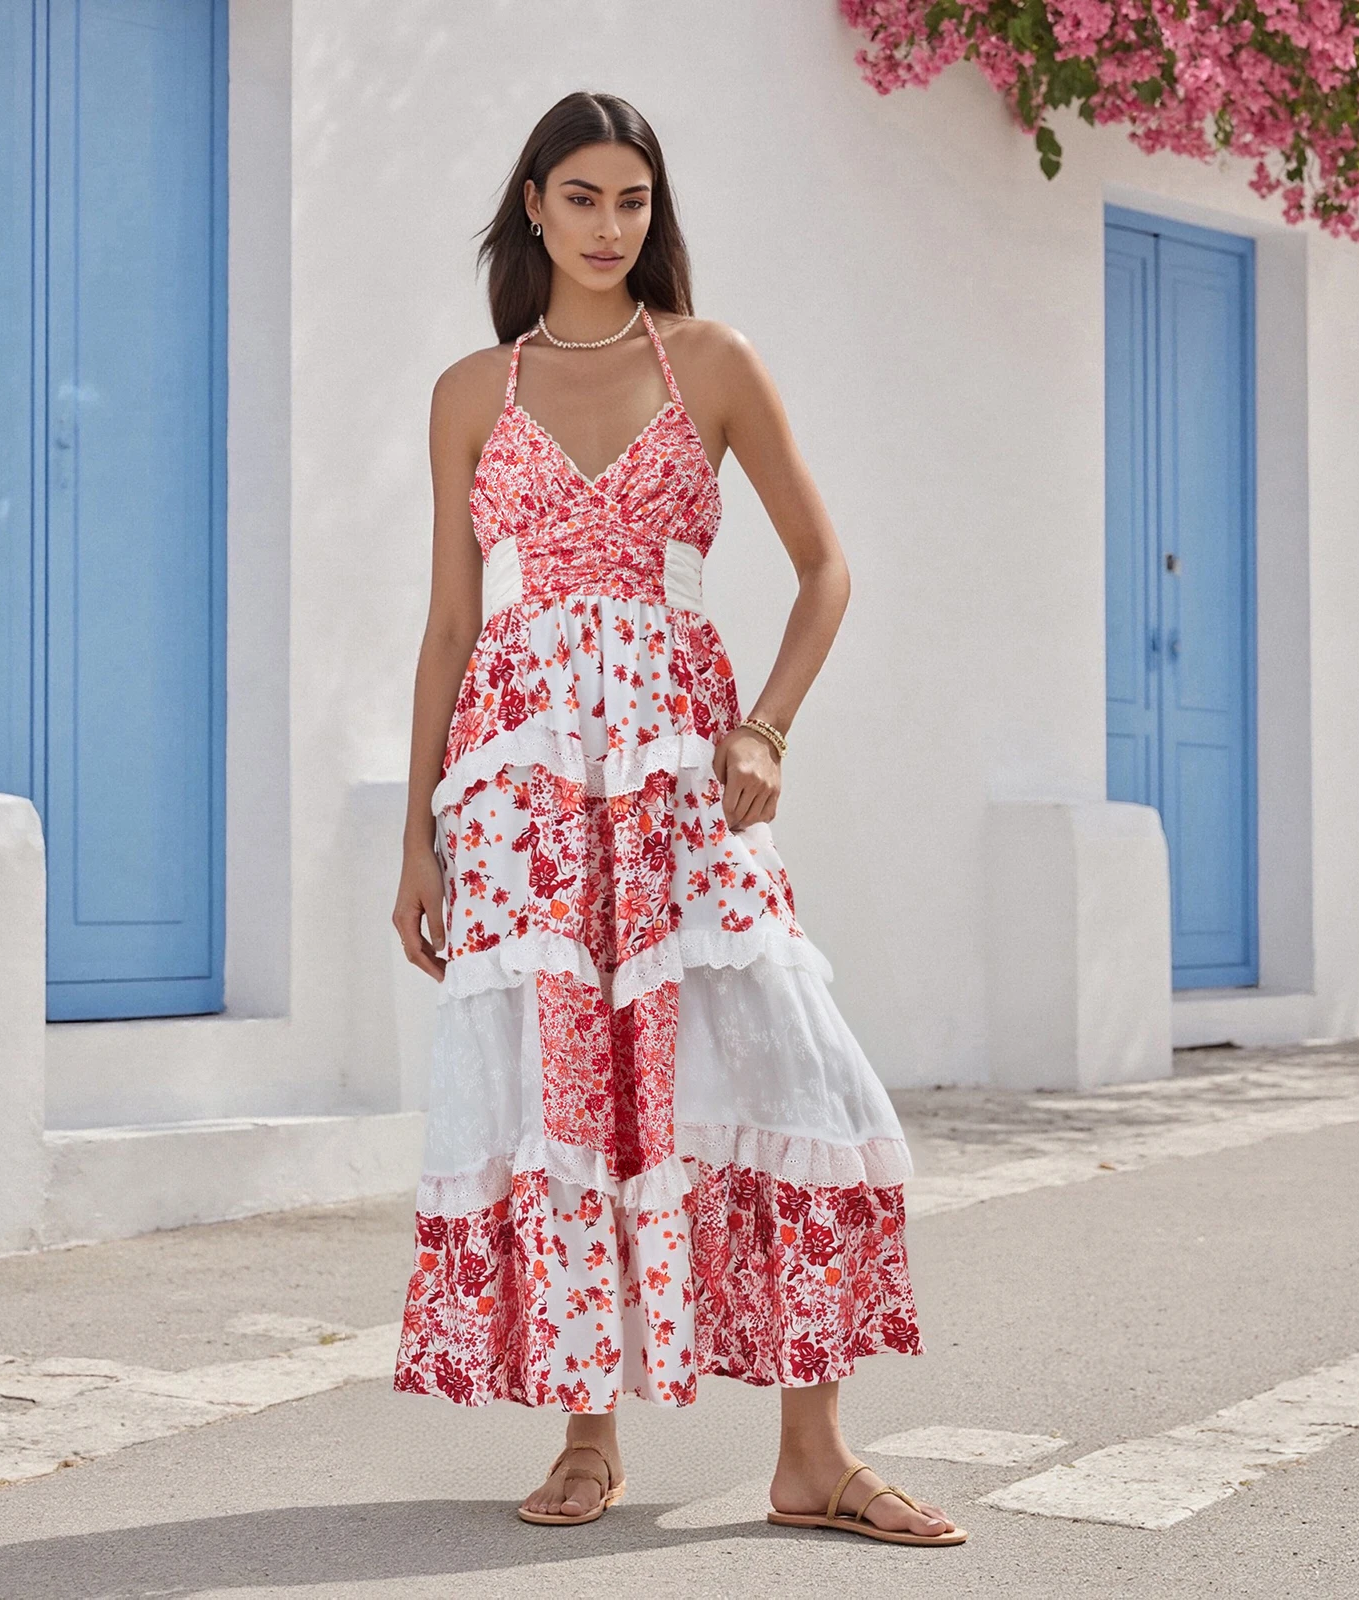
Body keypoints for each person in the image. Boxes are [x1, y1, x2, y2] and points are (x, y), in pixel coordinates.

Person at [391, 89, 965, 1549]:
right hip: (522, 792)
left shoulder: (709, 361)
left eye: (631, 201)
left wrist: (765, 725)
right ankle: (590, 1437)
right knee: (564, 1091)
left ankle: (813, 1456)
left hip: (678, 773)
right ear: (534, 206)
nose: (606, 225)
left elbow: (826, 568)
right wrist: (419, 837)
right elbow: (452, 628)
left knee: (786, 1061)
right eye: (579, 198)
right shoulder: (474, 389)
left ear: (656, 213)